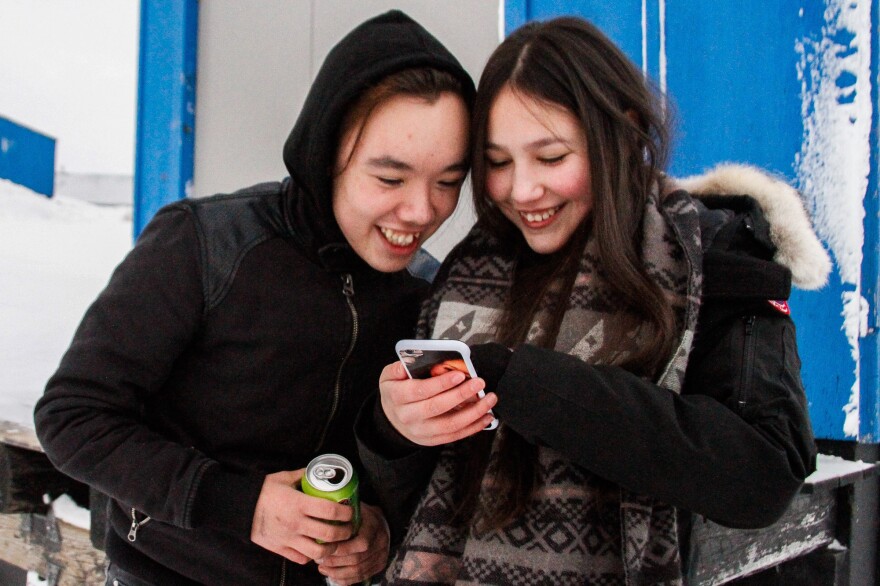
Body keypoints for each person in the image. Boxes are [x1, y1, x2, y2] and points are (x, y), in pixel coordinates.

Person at [356, 16, 826, 585]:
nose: (522, 190)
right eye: (499, 162)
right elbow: (422, 500)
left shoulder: (715, 258)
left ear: (623, 133)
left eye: (551, 158)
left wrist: (529, 383)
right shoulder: (471, 269)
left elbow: (763, 475)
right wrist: (391, 429)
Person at [33, 10, 474, 586]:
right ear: (325, 155)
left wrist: (382, 529)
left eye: (447, 182)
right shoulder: (206, 243)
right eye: (389, 179)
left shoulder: (426, 291)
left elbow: (412, 458)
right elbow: (73, 417)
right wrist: (240, 505)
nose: (422, 212)